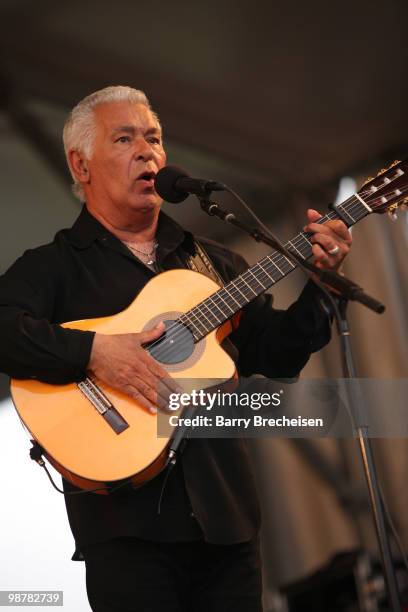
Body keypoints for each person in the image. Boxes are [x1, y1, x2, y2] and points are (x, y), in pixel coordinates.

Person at [0, 86, 352, 611]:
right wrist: (95, 351)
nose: (149, 152)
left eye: (155, 138)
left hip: (227, 523)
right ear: (81, 165)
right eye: (125, 138)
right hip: (126, 534)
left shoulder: (210, 263)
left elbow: (278, 356)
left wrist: (324, 283)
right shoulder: (53, 266)